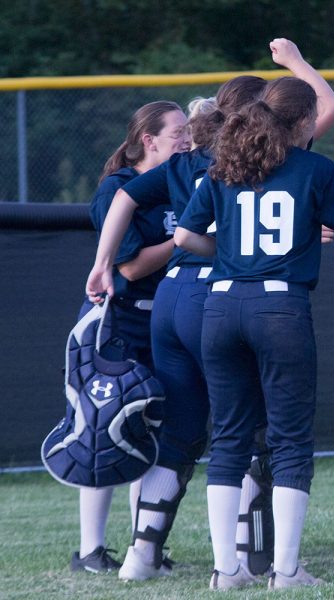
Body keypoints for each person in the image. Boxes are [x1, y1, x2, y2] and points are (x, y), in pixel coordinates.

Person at [85, 39, 334, 581]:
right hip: (227, 295)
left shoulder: (188, 161)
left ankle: (141, 553)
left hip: (173, 297)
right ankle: (253, 558)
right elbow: (329, 108)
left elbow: (126, 197)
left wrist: (103, 260)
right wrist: (295, 63)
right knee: (250, 432)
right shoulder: (267, 158)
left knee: (182, 430)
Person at [174, 76, 334, 591]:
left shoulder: (226, 166)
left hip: (221, 306)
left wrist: (230, 256)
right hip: (279, 308)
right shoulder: (315, 168)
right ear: (304, 121)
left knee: (226, 439)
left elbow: (184, 237)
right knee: (289, 441)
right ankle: (285, 572)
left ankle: (227, 572)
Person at [71, 100, 190, 574]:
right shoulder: (117, 189)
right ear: (149, 140)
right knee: (104, 431)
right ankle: (90, 551)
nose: (187, 139)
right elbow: (132, 266)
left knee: (150, 434)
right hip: (118, 322)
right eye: (179, 132)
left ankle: (146, 545)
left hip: (161, 321)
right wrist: (184, 236)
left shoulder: (178, 183)